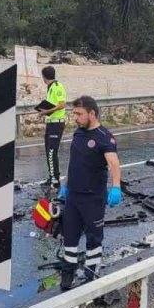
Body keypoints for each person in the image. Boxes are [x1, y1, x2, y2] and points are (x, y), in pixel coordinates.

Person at [59, 96, 122, 291]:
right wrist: (65, 186)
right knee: (69, 237)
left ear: (92, 114)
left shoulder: (104, 137)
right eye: (74, 114)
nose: (75, 118)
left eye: (79, 114)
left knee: (94, 239)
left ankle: (91, 274)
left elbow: (114, 164)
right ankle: (67, 275)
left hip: (93, 198)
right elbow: (74, 164)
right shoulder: (78, 134)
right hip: (73, 196)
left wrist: (116, 186)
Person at [34, 65, 67, 192]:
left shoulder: (58, 87)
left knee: (52, 151)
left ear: (44, 76)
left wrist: (47, 110)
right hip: (50, 122)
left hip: (57, 124)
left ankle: (55, 180)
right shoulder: (50, 87)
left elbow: (62, 104)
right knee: (48, 151)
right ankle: (52, 176)